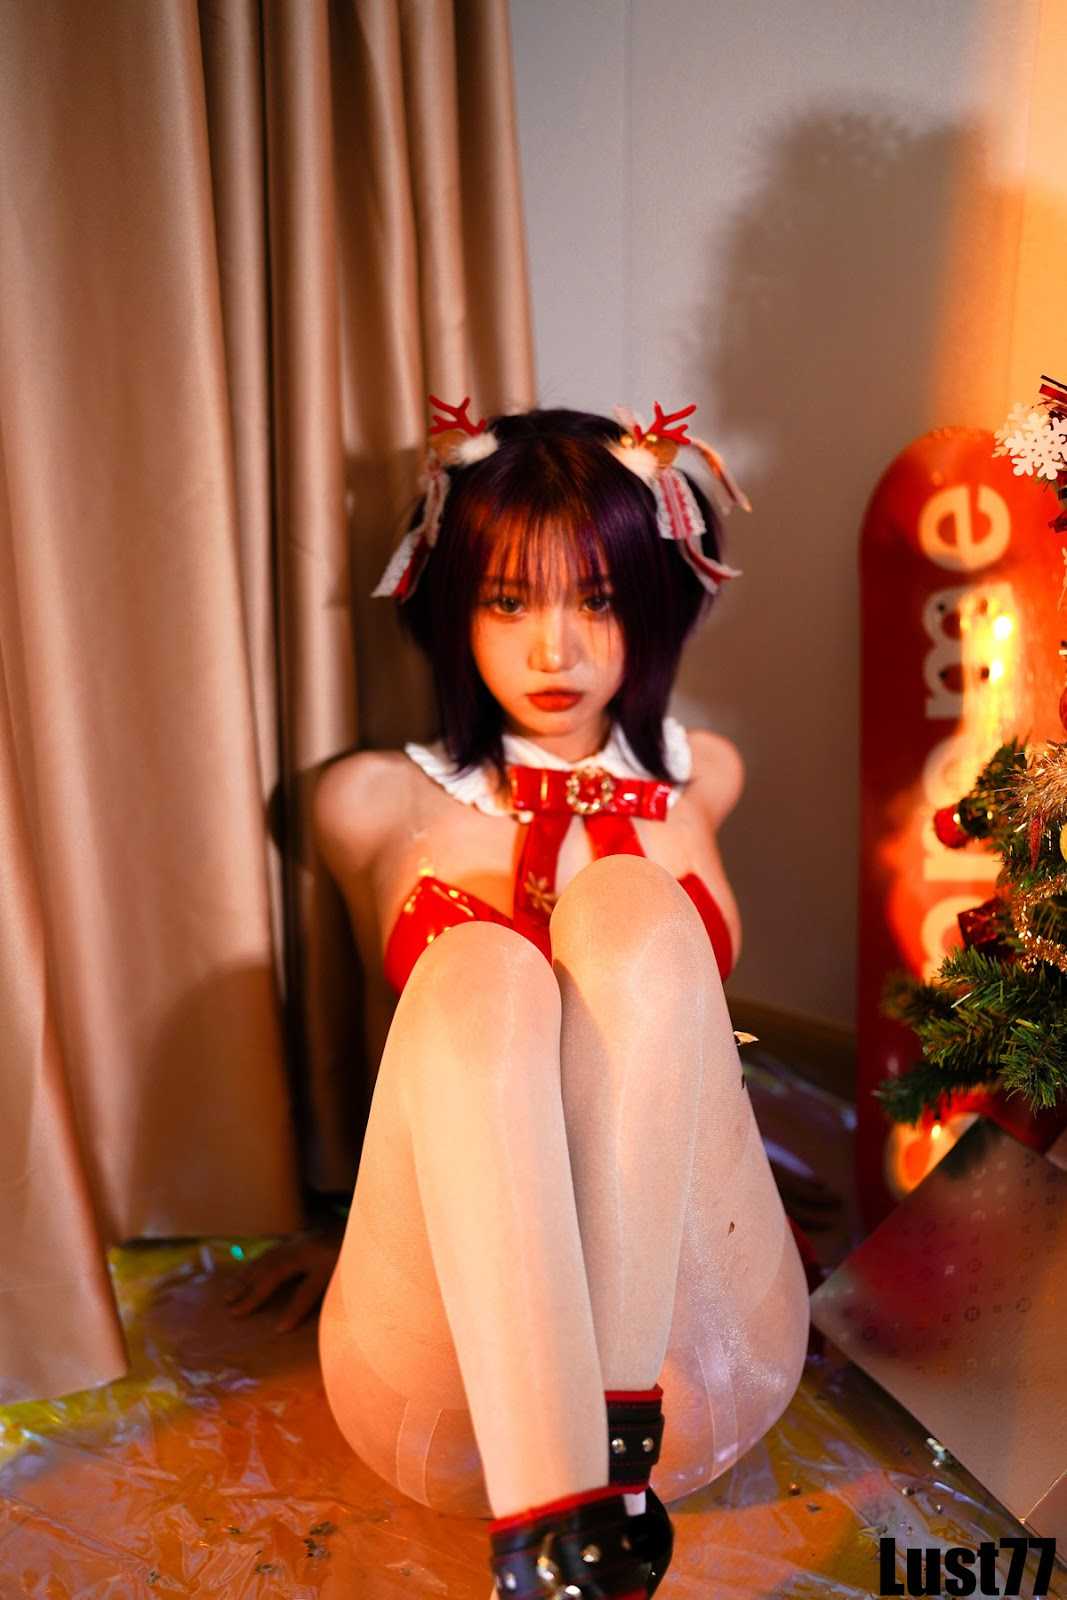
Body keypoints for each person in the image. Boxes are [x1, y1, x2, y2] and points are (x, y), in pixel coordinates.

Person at [227, 401, 810, 1598]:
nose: (555, 651)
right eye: (508, 602)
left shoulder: (703, 778)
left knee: (630, 908)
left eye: (596, 600)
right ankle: (563, 1526)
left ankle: (603, 1467)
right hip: (456, 1377)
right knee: (483, 968)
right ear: (451, 607)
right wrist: (341, 1213)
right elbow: (376, 1057)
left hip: (691, 1341)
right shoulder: (371, 802)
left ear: (654, 599)